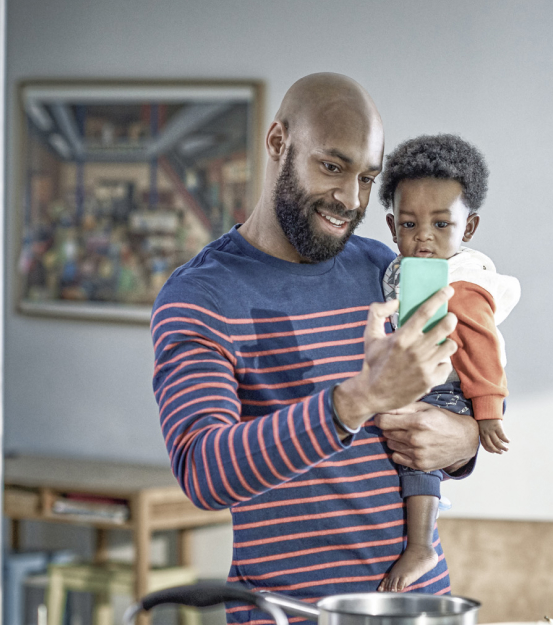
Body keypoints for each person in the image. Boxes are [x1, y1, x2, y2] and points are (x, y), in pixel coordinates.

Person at [150, 73, 480, 624]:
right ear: (279, 144)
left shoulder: (387, 270)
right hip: (292, 614)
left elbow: (454, 396)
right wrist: (353, 401)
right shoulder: (201, 296)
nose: (351, 199)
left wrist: (463, 442)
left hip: (420, 606)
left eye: (367, 178)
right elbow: (202, 471)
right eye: (332, 166)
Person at [376, 134, 521, 592]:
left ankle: (420, 544)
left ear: (469, 227)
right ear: (390, 224)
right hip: (418, 377)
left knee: (417, 463)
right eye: (409, 224)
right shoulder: (397, 269)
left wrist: (488, 409)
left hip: (446, 389)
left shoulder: (463, 281)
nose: (423, 237)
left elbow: (484, 345)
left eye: (442, 224)